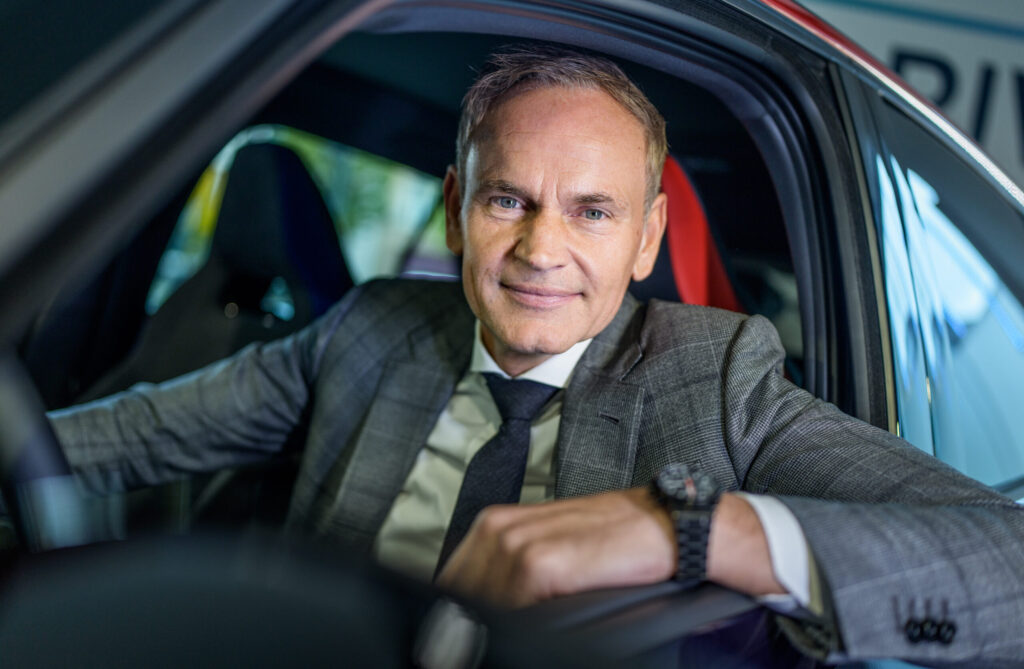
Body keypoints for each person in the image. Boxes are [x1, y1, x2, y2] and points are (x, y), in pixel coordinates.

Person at [49, 47, 1024, 665]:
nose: (539, 250)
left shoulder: (719, 375)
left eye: (592, 212)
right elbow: (112, 438)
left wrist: (699, 533)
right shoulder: (368, 327)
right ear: (455, 209)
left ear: (646, 240)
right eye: (508, 199)